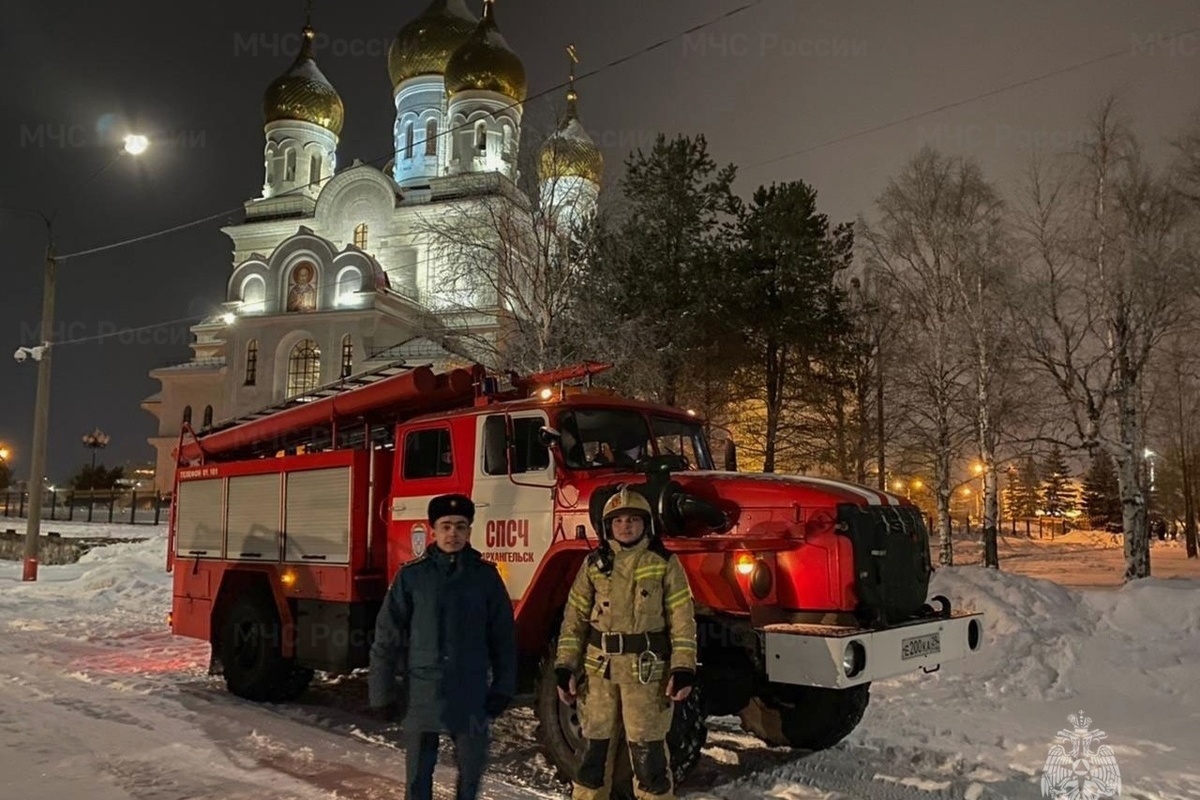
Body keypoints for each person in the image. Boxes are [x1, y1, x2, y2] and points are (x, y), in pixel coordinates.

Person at [553, 485, 697, 800]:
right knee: (591, 758)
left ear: (646, 523)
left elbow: (682, 619)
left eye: (633, 519)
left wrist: (683, 667)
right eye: (618, 521)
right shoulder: (593, 564)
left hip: (645, 677)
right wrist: (565, 667)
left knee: (650, 763)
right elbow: (574, 619)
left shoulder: (663, 563)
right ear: (607, 527)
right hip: (599, 675)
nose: (625, 526)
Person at [368, 493, 516, 800]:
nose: (453, 533)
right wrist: (381, 693)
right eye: (446, 526)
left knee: (471, 778)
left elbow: (503, 637)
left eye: (461, 526)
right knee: (418, 779)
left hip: (471, 692)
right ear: (432, 530)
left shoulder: (485, 577)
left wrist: (503, 686)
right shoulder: (412, 576)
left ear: (469, 532)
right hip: (423, 693)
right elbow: (386, 637)